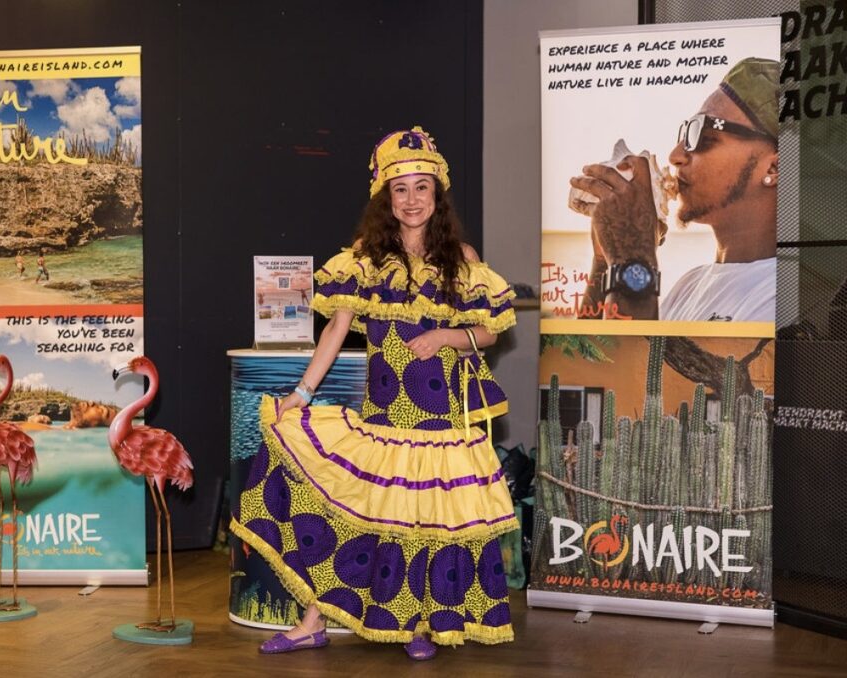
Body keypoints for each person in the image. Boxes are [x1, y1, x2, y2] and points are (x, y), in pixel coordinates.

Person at [230, 126, 519, 660]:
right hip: (385, 419)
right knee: (359, 519)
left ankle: (420, 626)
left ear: (437, 194)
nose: (411, 200)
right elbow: (336, 330)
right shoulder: (366, 258)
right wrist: (301, 394)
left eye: (421, 188)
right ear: (386, 198)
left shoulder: (461, 257)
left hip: (440, 421)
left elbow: (488, 333)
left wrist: (445, 336)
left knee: (426, 523)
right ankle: (312, 623)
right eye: (400, 189)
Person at [570, 58, 779, 321]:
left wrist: (633, 257)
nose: (675, 155)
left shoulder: (780, 294)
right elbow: (589, 349)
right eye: (686, 133)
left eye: (703, 136)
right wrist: (605, 261)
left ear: (774, 168)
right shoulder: (689, 286)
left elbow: (630, 350)